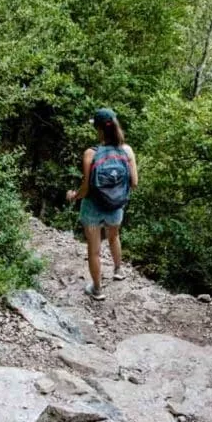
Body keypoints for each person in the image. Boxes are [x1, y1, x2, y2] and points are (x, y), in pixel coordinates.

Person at [66, 108, 138, 300]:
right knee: (114, 237)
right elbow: (135, 183)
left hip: (92, 208)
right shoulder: (127, 150)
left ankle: (97, 289)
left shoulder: (91, 153)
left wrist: (74, 196)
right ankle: (118, 270)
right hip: (116, 207)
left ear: (98, 129)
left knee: (94, 250)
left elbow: (86, 188)